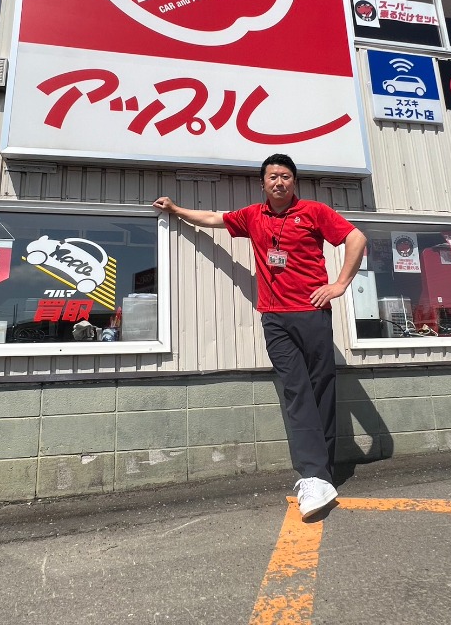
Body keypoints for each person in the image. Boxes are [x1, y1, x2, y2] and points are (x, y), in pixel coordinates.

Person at [153, 153, 367, 519]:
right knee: (297, 391)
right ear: (263, 183)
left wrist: (339, 284)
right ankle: (313, 474)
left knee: (322, 390)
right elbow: (213, 219)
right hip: (275, 319)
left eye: (285, 176)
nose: (279, 182)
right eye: (272, 177)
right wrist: (175, 209)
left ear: (294, 181)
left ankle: (323, 474)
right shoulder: (253, 216)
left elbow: (356, 238)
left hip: (312, 313)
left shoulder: (314, 212)